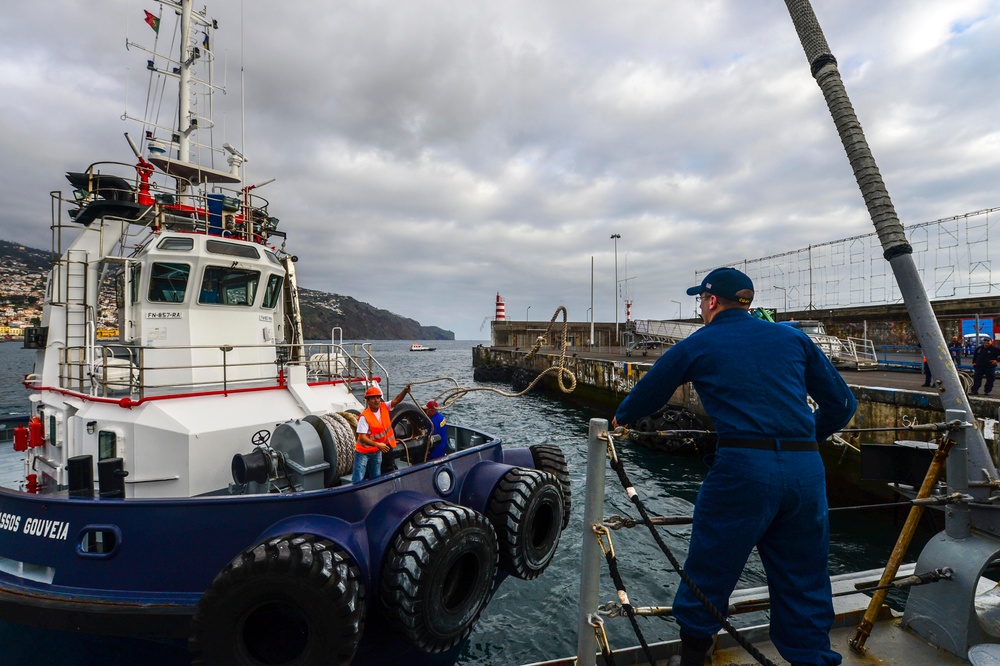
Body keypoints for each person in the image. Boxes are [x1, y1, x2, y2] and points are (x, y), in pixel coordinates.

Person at [612, 267, 856, 666]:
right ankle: (812, 659)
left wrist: (621, 419)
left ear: (710, 301)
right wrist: (808, 438)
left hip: (743, 468)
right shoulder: (793, 337)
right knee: (804, 578)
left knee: (712, 565)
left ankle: (694, 658)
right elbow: (843, 405)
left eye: (700, 301)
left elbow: (647, 395)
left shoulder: (701, 342)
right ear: (747, 302)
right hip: (805, 471)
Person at [353, 383, 411, 482]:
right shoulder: (365, 417)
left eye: (378, 398)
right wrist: (378, 444)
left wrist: (405, 391)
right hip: (363, 452)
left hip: (376, 451)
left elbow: (396, 400)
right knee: (358, 478)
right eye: (373, 398)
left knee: (376, 476)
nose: (376, 400)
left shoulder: (384, 407)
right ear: (368, 401)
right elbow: (362, 437)